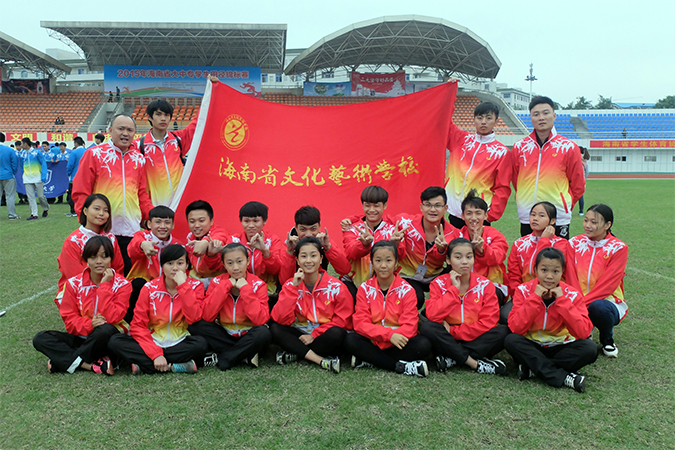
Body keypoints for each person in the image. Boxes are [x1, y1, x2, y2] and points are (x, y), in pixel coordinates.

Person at [33, 236, 131, 375]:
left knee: (104, 330)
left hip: (107, 337)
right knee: (41, 338)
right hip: (83, 336)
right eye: (93, 257)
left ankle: (62, 361)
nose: (99, 261)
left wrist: (104, 286)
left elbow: (113, 317)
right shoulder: (73, 284)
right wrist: (90, 324)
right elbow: (69, 320)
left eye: (104, 257)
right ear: (86, 260)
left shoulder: (123, 284)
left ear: (111, 259)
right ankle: (89, 365)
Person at [504, 248, 597, 393]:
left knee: (590, 348)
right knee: (511, 340)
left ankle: (533, 369)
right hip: (533, 345)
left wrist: (562, 301)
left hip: (561, 346)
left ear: (562, 272)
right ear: (535, 270)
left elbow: (583, 332)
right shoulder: (523, 290)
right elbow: (516, 327)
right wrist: (535, 298)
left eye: (555, 271)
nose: (549, 276)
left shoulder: (572, 294)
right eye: (544, 270)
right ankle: (563, 377)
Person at [107, 245, 208, 374]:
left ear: (187, 265)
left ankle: (145, 365)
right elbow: (138, 325)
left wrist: (183, 286)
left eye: (180, 263)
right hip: (153, 340)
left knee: (201, 344)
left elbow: (194, 318)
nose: (175, 268)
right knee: (115, 342)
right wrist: (156, 354)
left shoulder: (195, 286)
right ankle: (175, 366)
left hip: (181, 341)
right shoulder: (149, 288)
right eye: (169, 263)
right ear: (162, 266)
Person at [72, 114, 153, 275]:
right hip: (103, 231)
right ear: (110, 130)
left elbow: (142, 194)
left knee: (129, 280)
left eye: (130, 130)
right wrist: (88, 224)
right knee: (103, 279)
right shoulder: (94, 154)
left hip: (131, 232)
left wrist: (150, 218)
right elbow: (81, 192)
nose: (125, 133)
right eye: (121, 129)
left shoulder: (139, 159)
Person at [420, 238, 509, 376]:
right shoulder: (438, 283)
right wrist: (453, 291)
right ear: (448, 260)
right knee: (427, 327)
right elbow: (432, 315)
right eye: (458, 257)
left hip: (470, 337)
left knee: (504, 331)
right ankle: (474, 363)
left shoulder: (485, 285)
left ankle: (452, 357)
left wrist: (454, 331)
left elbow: (489, 322)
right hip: (446, 337)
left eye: (469, 257)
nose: (464, 261)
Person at [345, 241, 432, 377]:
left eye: (388, 260)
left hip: (398, 341)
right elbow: (360, 323)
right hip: (374, 339)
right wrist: (388, 336)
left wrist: (392, 338)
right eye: (378, 260)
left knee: (423, 344)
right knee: (350, 340)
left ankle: (370, 359)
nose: (383, 265)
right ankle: (401, 367)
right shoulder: (364, 289)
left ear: (396, 263)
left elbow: (410, 326)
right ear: (372, 263)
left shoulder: (407, 290)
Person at [270, 237, 353, 373]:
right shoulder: (290, 284)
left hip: (324, 334)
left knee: (337, 334)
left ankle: (297, 352)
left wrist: (314, 335)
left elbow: (343, 320)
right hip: (302, 332)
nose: (308, 260)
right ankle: (319, 359)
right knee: (275, 329)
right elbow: (280, 319)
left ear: (321, 259)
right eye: (303, 256)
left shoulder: (336, 287)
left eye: (313, 256)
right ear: (297, 260)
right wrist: (293, 289)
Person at [190, 243, 272, 371]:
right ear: (223, 264)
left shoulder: (258, 284)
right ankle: (243, 355)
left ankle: (226, 357)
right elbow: (207, 316)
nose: (235, 267)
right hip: (224, 335)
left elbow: (260, 320)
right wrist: (225, 287)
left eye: (239, 262)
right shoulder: (217, 282)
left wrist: (246, 289)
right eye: (230, 263)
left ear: (247, 261)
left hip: (248, 335)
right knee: (197, 325)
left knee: (263, 332)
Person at [512, 96, 585, 239]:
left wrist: (564, 205)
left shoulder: (568, 147)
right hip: (528, 215)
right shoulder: (519, 147)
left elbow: (578, 184)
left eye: (546, 113)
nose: (541, 118)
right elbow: (516, 180)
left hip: (557, 216)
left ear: (554, 116)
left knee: (557, 253)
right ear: (531, 117)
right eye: (536, 114)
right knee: (529, 252)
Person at [570, 204, 628, 358]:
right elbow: (570, 275)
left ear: (607, 225)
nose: (587, 225)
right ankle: (584, 329)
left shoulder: (618, 248)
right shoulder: (574, 242)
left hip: (606, 301)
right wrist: (576, 299)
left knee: (598, 307)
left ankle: (607, 339)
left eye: (594, 222)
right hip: (577, 298)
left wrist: (582, 303)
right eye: (586, 220)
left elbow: (608, 285)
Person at [444, 100, 513, 228]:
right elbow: (445, 120)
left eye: (488, 118)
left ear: (496, 121)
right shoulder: (461, 139)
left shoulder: (501, 152)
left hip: (478, 213)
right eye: (480, 118)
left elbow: (502, 187)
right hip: (454, 210)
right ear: (474, 119)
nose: (483, 122)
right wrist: (449, 96)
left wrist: (491, 214)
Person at [506, 201, 579, 316]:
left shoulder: (562, 244)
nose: (535, 218)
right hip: (525, 293)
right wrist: (519, 295)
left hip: (553, 295)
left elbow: (539, 267)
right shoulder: (519, 244)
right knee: (506, 316)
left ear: (552, 221)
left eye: (541, 215)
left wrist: (544, 240)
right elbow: (513, 275)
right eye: (533, 214)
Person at [395, 186, 461, 308]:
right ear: (421, 207)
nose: (432, 209)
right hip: (408, 275)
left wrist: (441, 251)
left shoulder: (454, 234)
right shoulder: (405, 223)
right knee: (416, 297)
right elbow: (379, 220)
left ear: (445, 208)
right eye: (428, 205)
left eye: (437, 205)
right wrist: (393, 242)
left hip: (436, 274)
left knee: (457, 280)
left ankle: (433, 315)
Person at [56, 193, 124, 306]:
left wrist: (110, 287)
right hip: (80, 290)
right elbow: (73, 274)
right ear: (85, 211)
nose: (101, 213)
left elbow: (118, 268)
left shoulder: (111, 238)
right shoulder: (73, 241)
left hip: (109, 287)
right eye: (97, 209)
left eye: (106, 210)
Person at [340, 186, 402, 299]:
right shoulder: (352, 228)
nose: (372, 210)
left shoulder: (393, 230)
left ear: (385, 206)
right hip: (353, 282)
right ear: (362, 205)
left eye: (376, 205)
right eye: (367, 205)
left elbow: (401, 257)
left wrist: (395, 245)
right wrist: (364, 245)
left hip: (383, 283)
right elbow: (350, 252)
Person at [137, 99, 197, 206]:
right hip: (156, 208)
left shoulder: (178, 140)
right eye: (158, 114)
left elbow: (198, 122)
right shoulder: (138, 146)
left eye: (167, 115)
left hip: (180, 206)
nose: (163, 118)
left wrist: (212, 93)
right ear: (149, 117)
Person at [126, 205, 180, 322]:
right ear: (149, 224)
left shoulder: (177, 245)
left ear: (173, 225)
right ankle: (131, 322)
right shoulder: (142, 237)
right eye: (158, 222)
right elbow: (131, 250)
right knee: (138, 284)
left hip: (167, 286)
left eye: (167, 222)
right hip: (143, 283)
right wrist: (142, 245)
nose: (162, 226)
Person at [457, 190, 509, 306]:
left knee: (485, 297)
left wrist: (482, 249)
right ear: (462, 216)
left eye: (478, 213)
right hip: (463, 284)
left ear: (485, 215)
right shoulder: (457, 235)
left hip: (492, 284)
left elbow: (498, 258)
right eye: (469, 213)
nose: (473, 218)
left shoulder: (495, 235)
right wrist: (441, 250)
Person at [279, 205, 351, 285]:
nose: (308, 234)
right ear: (296, 227)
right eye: (303, 229)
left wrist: (328, 247)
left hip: (320, 286)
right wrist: (290, 252)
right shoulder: (288, 245)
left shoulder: (324, 241)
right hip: (296, 287)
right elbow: (284, 282)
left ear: (319, 226)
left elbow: (345, 270)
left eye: (313, 229)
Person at [230, 201, 284, 298]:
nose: (251, 225)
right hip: (240, 288)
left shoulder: (273, 240)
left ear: (264, 221)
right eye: (246, 221)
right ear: (241, 221)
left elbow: (276, 270)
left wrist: (265, 251)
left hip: (268, 291)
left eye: (255, 221)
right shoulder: (234, 240)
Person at [184, 199, 229, 281]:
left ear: (211, 221)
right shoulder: (190, 237)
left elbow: (220, 237)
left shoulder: (220, 232)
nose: (197, 225)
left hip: (218, 280)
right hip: (196, 278)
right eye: (192, 221)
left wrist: (205, 242)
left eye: (201, 221)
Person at [19, 137, 49, 220]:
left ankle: (46, 208)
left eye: (22, 144)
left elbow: (43, 163)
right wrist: (24, 174)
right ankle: (34, 214)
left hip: (37, 177)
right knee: (30, 197)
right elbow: (21, 165)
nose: (21, 145)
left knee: (40, 196)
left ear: (26, 144)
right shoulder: (23, 154)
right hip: (27, 178)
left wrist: (43, 175)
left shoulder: (37, 152)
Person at [0, 132, 20, 219]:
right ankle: (11, 214)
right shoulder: (10, 150)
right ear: (4, 140)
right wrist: (13, 172)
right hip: (8, 175)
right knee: (10, 196)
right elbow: (15, 163)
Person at [66, 136, 87, 217]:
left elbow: (70, 165)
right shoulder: (88, 151)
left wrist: (68, 173)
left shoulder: (74, 153)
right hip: (86, 177)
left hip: (75, 177)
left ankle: (74, 211)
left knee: (72, 195)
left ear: (75, 143)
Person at [13, 140, 28, 205]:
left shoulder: (24, 152)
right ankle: (21, 198)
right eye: (17, 146)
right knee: (18, 184)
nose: (18, 147)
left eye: (19, 146)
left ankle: (26, 198)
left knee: (25, 184)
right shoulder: (14, 152)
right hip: (17, 172)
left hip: (24, 171)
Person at [578, 146, 590, 216]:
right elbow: (587, 172)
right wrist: (584, 178)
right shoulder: (585, 161)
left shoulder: (577, 159)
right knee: (580, 196)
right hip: (582, 181)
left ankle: (568, 210)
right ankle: (581, 211)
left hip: (575, 180)